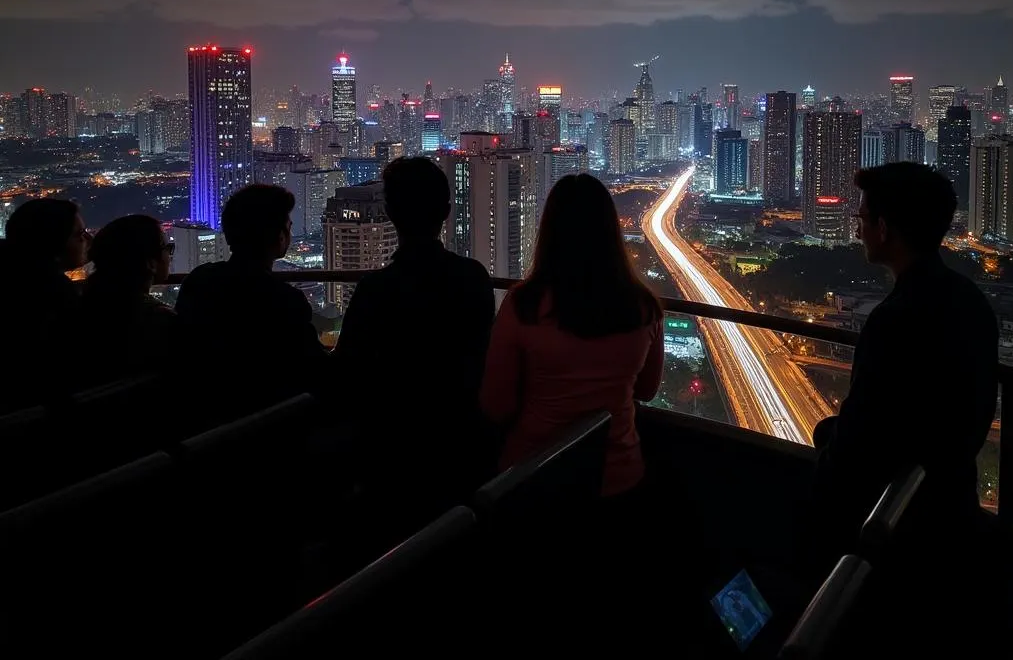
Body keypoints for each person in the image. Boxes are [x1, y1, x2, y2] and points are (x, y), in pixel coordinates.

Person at [813, 162, 998, 563]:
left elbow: (860, 442)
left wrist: (828, 441)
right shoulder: (970, 300)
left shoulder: (895, 320)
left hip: (894, 524)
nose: (858, 229)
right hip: (954, 506)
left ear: (884, 227)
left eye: (862, 218)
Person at [480, 173, 664, 499]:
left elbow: (497, 405)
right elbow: (647, 390)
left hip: (534, 476)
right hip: (618, 476)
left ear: (549, 233)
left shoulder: (525, 304)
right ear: (611, 232)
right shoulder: (643, 306)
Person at [333, 157, 495, 522]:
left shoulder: (375, 289)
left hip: (390, 452)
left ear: (390, 213)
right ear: (447, 211)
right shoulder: (472, 278)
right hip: (463, 446)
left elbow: (346, 370)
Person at [172, 184, 329, 428]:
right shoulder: (283, 299)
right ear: (279, 237)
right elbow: (316, 370)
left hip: (197, 419)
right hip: (268, 422)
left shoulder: (199, 281)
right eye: (288, 226)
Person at [0, 198, 89, 411]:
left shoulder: (14, 278)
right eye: (78, 235)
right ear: (54, 242)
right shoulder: (53, 291)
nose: (86, 240)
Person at [66, 215, 175, 389]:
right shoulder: (159, 320)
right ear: (150, 263)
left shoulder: (78, 309)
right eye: (167, 248)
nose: (170, 256)